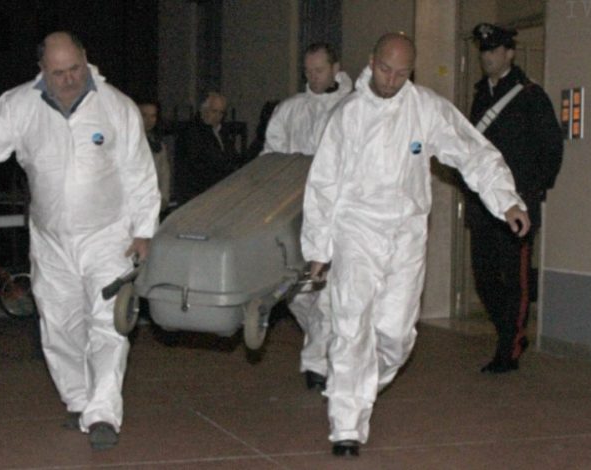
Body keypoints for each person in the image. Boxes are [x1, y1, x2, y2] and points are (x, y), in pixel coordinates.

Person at [0, 31, 160, 451]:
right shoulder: (20, 105)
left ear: (86, 58)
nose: (69, 79)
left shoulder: (117, 107)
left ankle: (102, 413)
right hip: (51, 240)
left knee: (108, 324)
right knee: (59, 325)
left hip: (108, 237)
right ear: (41, 70)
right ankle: (79, 400)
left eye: (75, 68)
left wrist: (144, 230)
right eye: (58, 73)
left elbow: (139, 173)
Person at [301, 33, 531, 458]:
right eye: (385, 70)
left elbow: (472, 152)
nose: (391, 80)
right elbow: (323, 184)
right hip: (356, 231)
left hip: (406, 235)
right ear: (372, 61)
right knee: (351, 326)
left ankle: (356, 388)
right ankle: (346, 426)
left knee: (395, 336)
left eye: (401, 73)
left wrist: (507, 201)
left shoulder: (425, 108)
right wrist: (318, 248)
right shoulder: (348, 115)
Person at [466, 23, 563, 374]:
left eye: (494, 50)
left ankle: (509, 347)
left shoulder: (530, 95)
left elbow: (552, 148)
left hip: (516, 208)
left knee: (515, 280)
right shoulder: (481, 95)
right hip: (483, 207)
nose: (487, 57)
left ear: (509, 53)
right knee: (484, 279)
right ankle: (509, 333)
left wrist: (531, 192)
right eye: (484, 51)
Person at [261, 42, 353, 392]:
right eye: (308, 71)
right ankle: (323, 348)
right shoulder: (289, 110)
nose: (313, 77)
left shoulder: (353, 108)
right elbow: (270, 158)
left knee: (328, 293)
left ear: (335, 68)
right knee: (296, 292)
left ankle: (317, 365)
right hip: (295, 214)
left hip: (338, 214)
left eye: (319, 70)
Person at [173, 92, 240, 204]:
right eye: (214, 111)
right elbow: (198, 166)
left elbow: (232, 157)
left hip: (218, 192)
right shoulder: (191, 133)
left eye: (221, 113)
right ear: (203, 110)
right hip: (198, 195)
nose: (217, 116)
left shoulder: (222, 132)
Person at [139, 99, 173, 214]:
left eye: (153, 116)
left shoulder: (157, 142)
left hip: (153, 199)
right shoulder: (129, 141)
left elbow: (164, 171)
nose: (149, 120)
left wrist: (164, 197)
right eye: (144, 115)